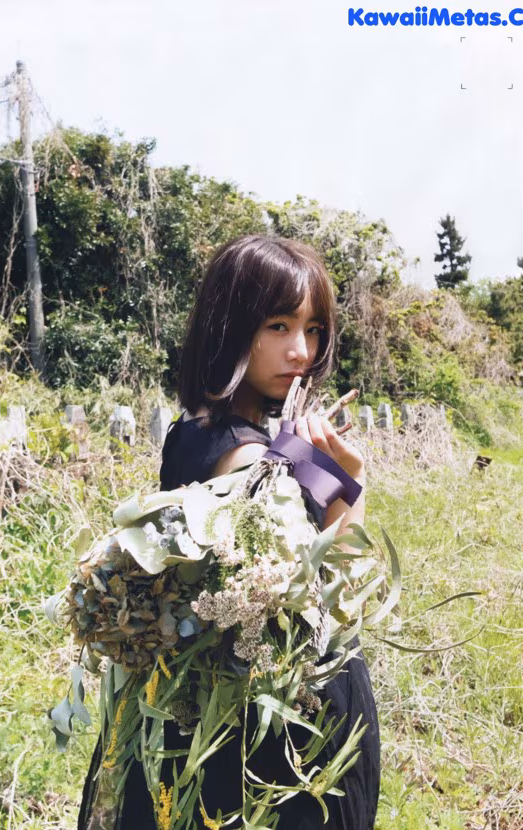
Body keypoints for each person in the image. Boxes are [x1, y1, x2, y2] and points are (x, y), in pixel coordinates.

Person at [78, 234, 380, 830]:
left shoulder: (200, 430)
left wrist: (334, 476)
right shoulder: (243, 460)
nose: (301, 350)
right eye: (278, 325)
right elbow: (333, 595)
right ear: (230, 327)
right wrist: (346, 485)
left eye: (313, 329)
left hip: (208, 708)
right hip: (264, 732)